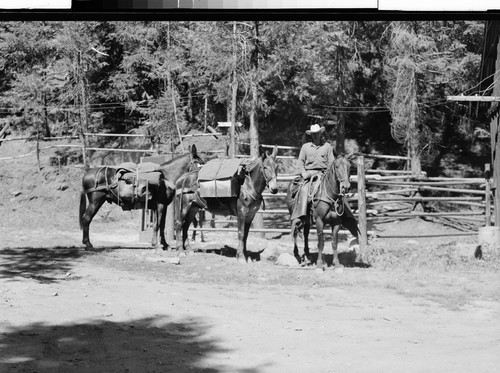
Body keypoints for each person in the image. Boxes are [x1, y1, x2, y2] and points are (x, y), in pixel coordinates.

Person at [290, 124, 335, 225]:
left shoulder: (327, 146)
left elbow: (332, 163)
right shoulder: (305, 147)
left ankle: (342, 215)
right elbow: (300, 162)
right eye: (314, 134)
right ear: (311, 135)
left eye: (317, 133)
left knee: (336, 188)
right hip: (309, 173)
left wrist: (327, 173)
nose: (315, 135)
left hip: (324, 174)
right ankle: (301, 215)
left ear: (320, 134)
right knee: (303, 189)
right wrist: (304, 173)